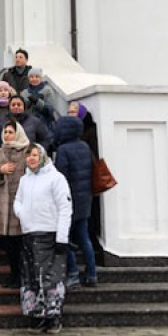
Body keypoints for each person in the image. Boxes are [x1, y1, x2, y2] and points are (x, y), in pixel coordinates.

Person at [14, 144, 72, 334]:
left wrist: (62, 237)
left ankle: (53, 317)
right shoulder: (24, 180)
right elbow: (18, 200)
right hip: (29, 234)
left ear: (42, 156)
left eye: (34, 155)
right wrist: (22, 213)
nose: (31, 158)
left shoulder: (56, 178)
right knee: (31, 277)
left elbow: (65, 208)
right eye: (28, 155)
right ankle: (36, 315)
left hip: (49, 233)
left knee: (50, 277)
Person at [0, 119, 31, 288]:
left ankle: (23, 276)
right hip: (4, 205)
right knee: (8, 244)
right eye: (5, 132)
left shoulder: (27, 150)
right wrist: (0, 171)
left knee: (21, 243)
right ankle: (13, 275)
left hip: (23, 204)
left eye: (11, 132)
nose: (7, 135)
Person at [53, 116, 97, 289]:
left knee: (65, 237)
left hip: (68, 201)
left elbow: (60, 177)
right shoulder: (85, 146)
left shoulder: (63, 150)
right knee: (84, 238)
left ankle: (72, 273)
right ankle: (91, 273)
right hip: (85, 199)